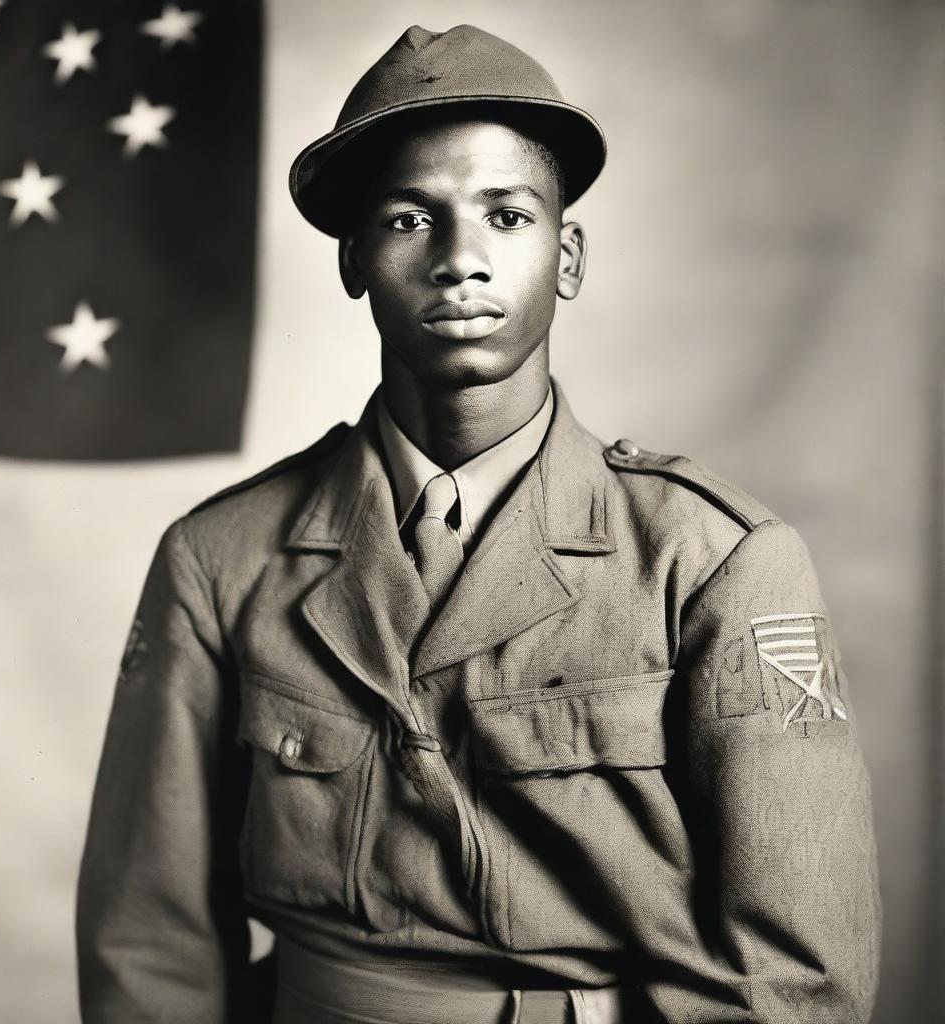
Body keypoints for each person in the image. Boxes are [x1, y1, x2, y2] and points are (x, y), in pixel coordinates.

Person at [76, 24, 881, 1024]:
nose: (461, 260)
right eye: (410, 219)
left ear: (568, 254)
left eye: (507, 215)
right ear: (353, 259)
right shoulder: (223, 557)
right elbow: (148, 940)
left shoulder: (712, 560)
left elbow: (796, 975)